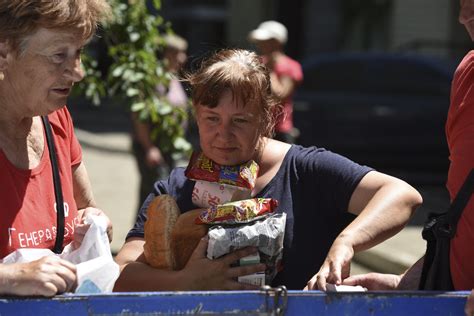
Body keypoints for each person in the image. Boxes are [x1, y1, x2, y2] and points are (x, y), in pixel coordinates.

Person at [113, 48, 422, 291]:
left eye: (240, 120)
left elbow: (402, 196)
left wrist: (347, 241)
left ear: (268, 118)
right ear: (195, 115)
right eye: (211, 118)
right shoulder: (176, 187)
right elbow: (121, 274)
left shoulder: (305, 170)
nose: (223, 134)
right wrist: (185, 283)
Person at [342, 0, 474, 313]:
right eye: (462, 4)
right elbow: (463, 213)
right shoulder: (467, 73)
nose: (463, 17)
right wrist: (412, 280)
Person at [0, 0, 112, 297]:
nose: (78, 73)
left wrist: (93, 225)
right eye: (58, 56)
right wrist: (9, 277)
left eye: (79, 53)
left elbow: (86, 209)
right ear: (3, 53)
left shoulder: (56, 119)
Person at [131, 33, 190, 208]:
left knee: (164, 193)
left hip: (168, 146)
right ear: (167, 54)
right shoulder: (153, 79)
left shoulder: (173, 77)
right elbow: (140, 115)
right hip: (154, 147)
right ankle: (142, 232)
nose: (183, 58)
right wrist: (149, 147)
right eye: (179, 53)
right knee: (152, 195)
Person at [248, 20, 303, 144]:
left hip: (280, 130)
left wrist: (269, 70)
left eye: (265, 41)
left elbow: (280, 95)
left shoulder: (290, 66)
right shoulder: (258, 62)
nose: (260, 44)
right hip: (257, 127)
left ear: (277, 42)